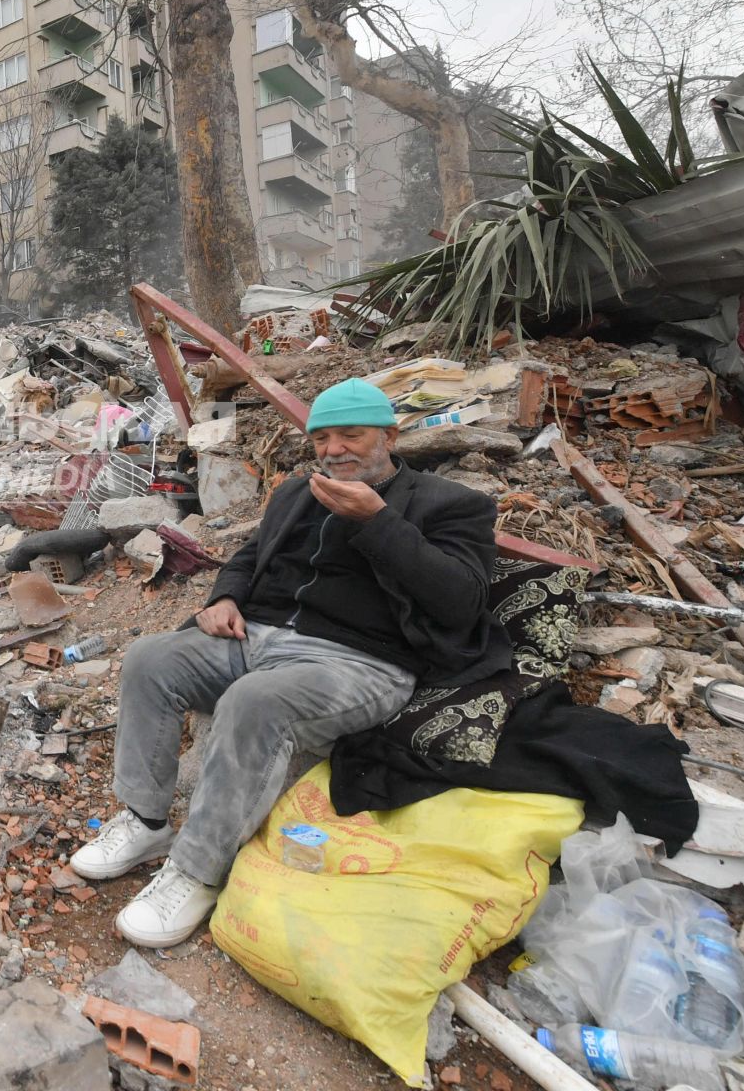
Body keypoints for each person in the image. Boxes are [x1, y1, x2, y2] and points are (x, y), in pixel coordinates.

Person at [70, 378, 510, 947]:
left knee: (256, 701)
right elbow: (250, 556)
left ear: (390, 436)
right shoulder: (298, 492)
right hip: (259, 635)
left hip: (361, 662)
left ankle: (197, 870)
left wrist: (377, 521)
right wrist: (223, 598)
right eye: (322, 439)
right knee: (151, 657)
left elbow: (460, 602)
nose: (334, 450)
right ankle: (145, 822)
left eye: (351, 435)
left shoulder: (451, 505)